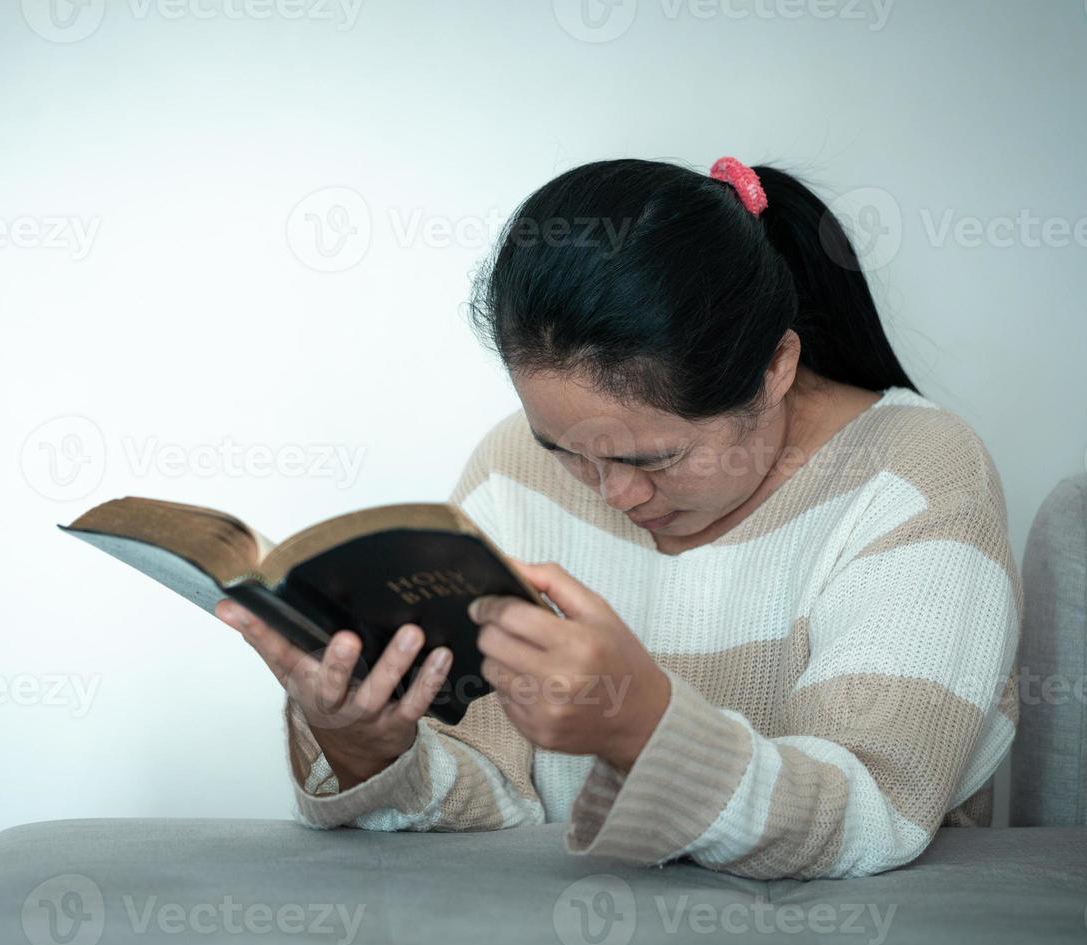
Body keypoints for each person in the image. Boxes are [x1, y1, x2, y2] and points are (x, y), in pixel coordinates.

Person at [215, 157, 1020, 880]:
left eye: (654, 460)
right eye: (564, 450)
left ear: (777, 367)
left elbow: (873, 816)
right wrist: (367, 748)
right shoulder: (515, 469)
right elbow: (499, 801)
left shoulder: (914, 475)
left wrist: (644, 727)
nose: (610, 494)